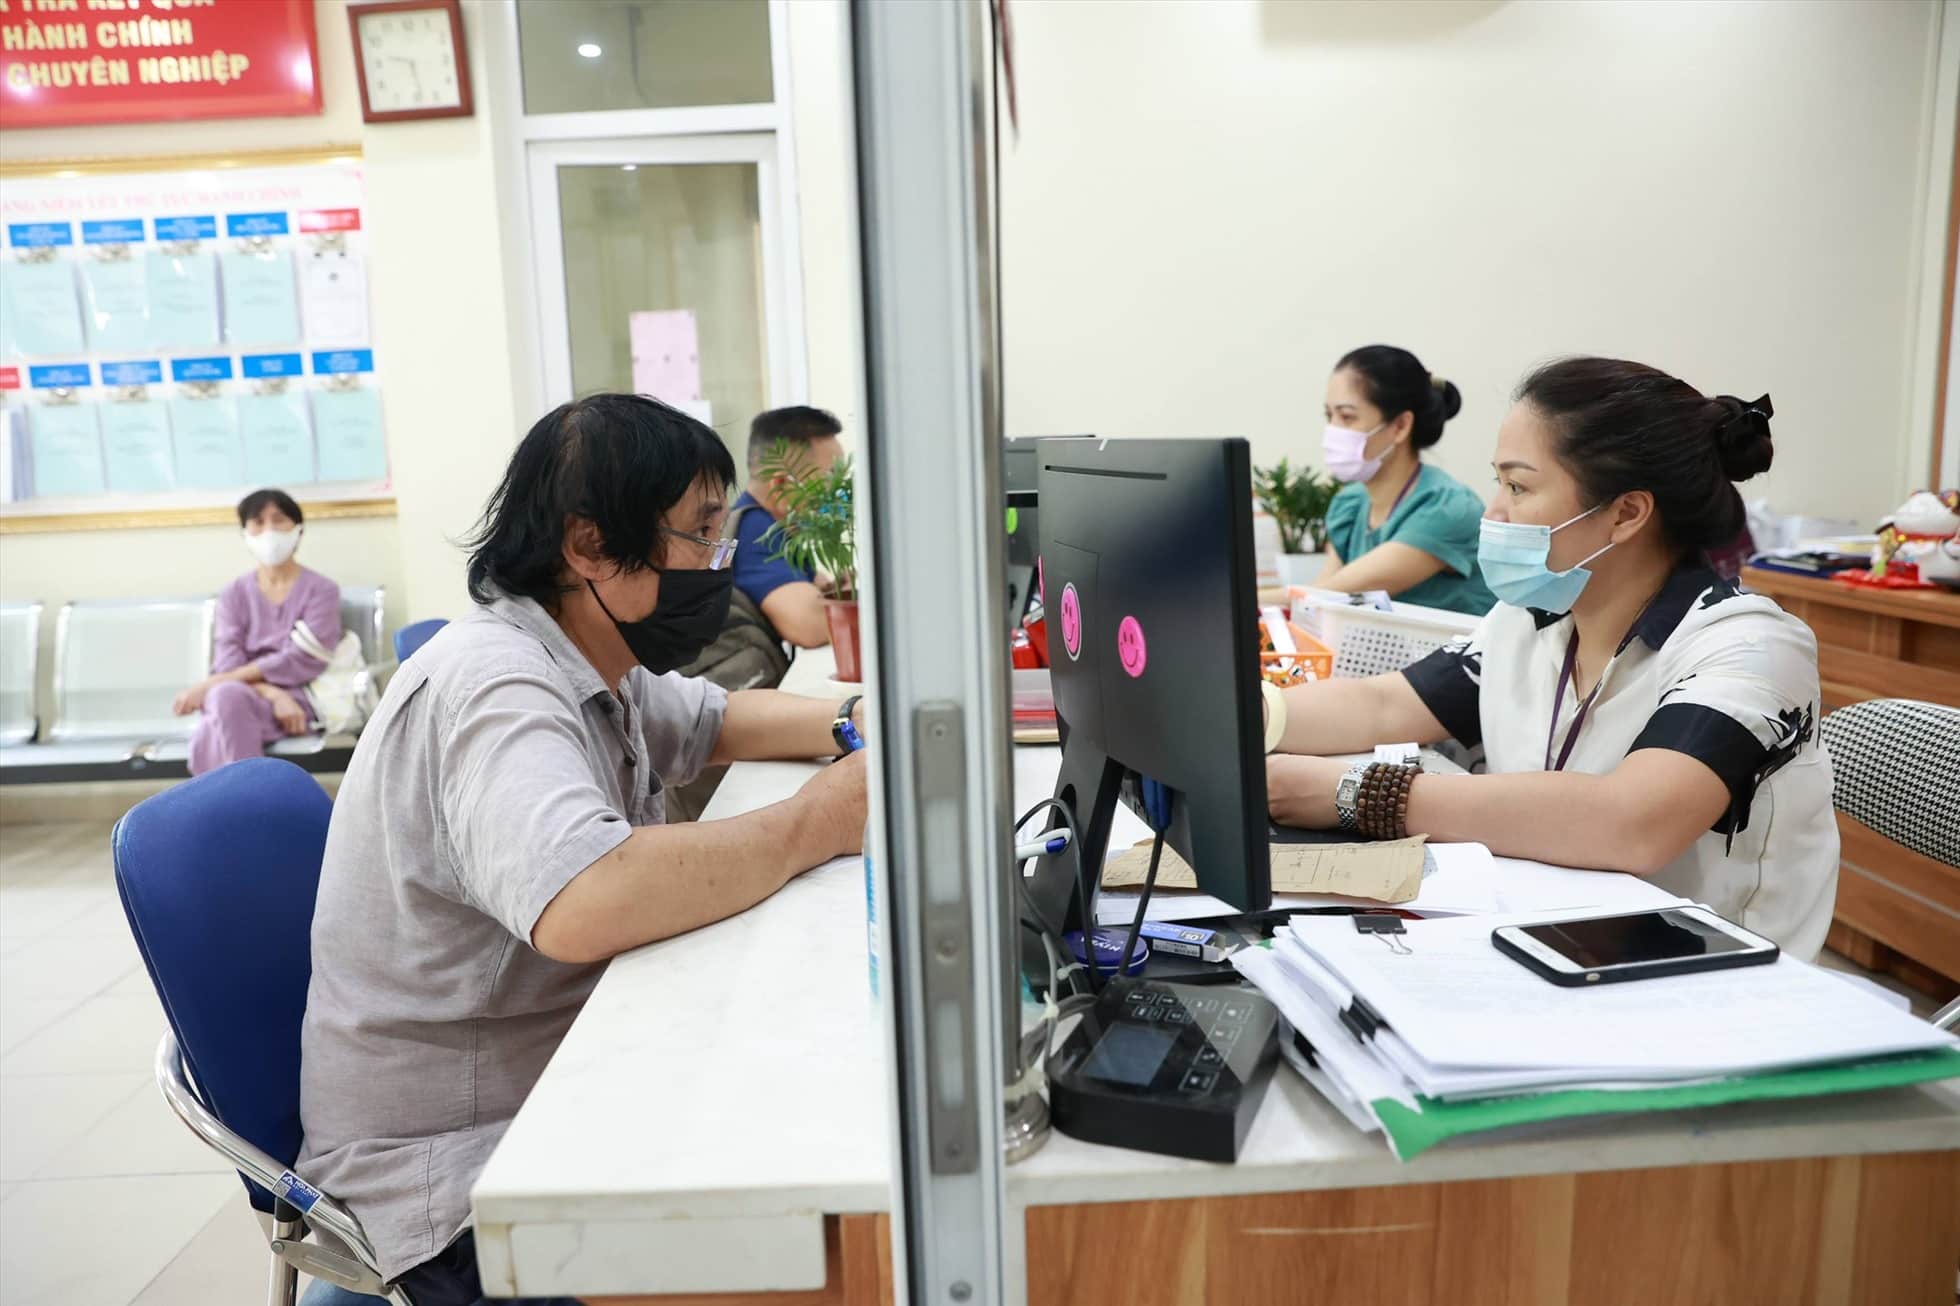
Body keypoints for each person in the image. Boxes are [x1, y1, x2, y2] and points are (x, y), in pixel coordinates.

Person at [296, 395, 869, 1306]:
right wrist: (819, 822)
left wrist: (861, 721)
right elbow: (586, 897)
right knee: (831, 1224)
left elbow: (719, 719)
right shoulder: (496, 686)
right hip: (460, 1179)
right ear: (591, 546)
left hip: (558, 1093)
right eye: (700, 533)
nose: (717, 561)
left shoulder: (582, 655)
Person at [1265, 357, 1837, 959]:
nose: (1494, 512)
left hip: (1712, 978)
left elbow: (1633, 822)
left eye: (1518, 487)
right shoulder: (1532, 618)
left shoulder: (1748, 647)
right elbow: (1384, 704)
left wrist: (1358, 793)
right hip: (1549, 936)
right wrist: (1247, 716)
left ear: (1626, 513)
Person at [1315, 345, 1497, 616]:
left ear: (1400, 426)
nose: (1333, 430)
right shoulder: (1350, 504)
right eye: (1329, 416)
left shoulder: (1448, 508)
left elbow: (1334, 595)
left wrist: (1251, 601)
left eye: (1347, 417)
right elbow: (1318, 596)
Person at [172, 488, 341, 775]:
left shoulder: (322, 591)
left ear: (299, 529)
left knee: (217, 710)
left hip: (299, 700)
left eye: (279, 519)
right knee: (225, 697)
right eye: (258, 522)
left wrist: (210, 684)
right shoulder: (233, 594)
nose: (269, 531)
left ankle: (231, 797)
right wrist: (274, 694)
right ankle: (249, 795)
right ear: (245, 533)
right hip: (243, 696)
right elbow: (228, 661)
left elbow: (303, 658)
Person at [729, 405, 846, 648]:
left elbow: (818, 586)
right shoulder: (756, 534)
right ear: (781, 484)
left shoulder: (777, 528)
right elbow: (810, 626)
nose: (839, 492)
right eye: (829, 480)